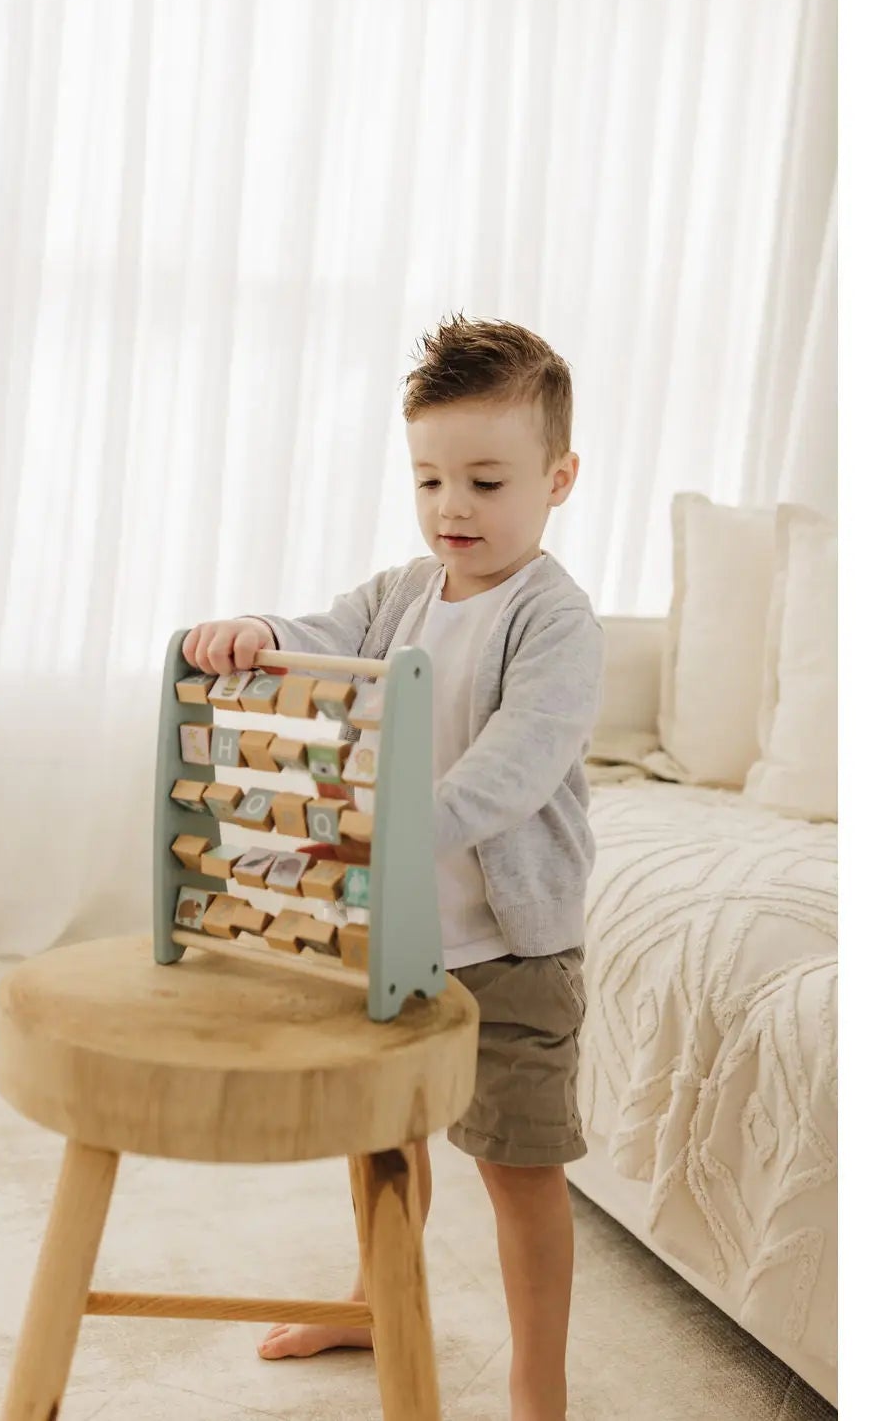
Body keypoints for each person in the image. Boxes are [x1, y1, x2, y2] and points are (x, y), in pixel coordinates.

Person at [182, 314, 603, 1421]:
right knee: (387, 1136)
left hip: (512, 946)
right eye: (429, 479)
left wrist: (378, 834)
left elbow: (509, 777)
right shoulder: (405, 592)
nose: (452, 508)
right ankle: (371, 1299)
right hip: (406, 930)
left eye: (485, 480)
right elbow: (322, 631)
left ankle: (537, 1386)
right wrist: (255, 629)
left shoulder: (554, 620)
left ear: (557, 479)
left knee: (518, 1171)